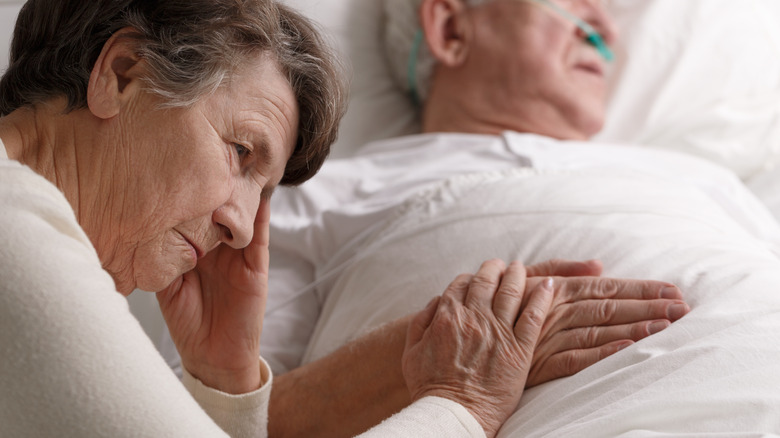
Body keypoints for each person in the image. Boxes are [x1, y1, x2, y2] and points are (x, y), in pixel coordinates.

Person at [0, 1, 687, 438]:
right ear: (120, 74)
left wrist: (225, 380)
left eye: (263, 189)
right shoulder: (15, 228)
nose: (241, 228)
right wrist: (461, 401)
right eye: (242, 152)